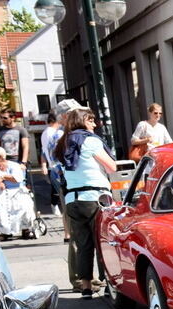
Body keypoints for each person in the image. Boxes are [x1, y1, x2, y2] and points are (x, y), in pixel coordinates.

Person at [55, 106, 118, 296]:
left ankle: (86, 288)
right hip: (94, 197)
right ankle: (108, 285)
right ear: (81, 121)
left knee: (82, 244)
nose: (94, 123)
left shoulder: (63, 142)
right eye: (90, 120)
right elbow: (112, 167)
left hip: (72, 199)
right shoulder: (90, 141)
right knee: (102, 242)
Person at [0, 145, 35, 240]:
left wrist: (2, 177)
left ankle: (26, 229)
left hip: (17, 191)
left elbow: (17, 178)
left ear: (0, 157)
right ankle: (5, 232)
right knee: (1, 211)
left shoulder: (14, 165)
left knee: (24, 207)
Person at [41, 98, 81, 219]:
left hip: (62, 174)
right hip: (67, 176)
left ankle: (69, 233)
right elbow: (57, 158)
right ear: (66, 116)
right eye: (76, 113)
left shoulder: (61, 133)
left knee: (68, 205)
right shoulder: (59, 134)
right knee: (72, 207)